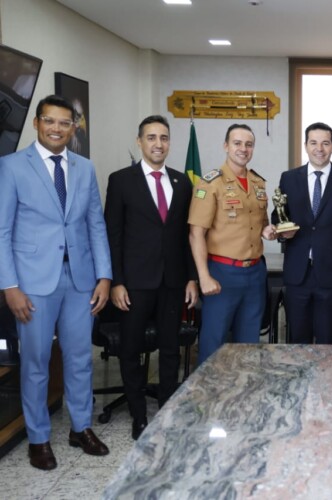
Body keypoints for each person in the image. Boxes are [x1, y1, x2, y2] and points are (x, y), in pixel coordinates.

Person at [0, 95, 112, 470]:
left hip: (80, 279)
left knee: (80, 358)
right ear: (37, 123)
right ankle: (38, 437)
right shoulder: (13, 167)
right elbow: (1, 231)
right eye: (50, 121)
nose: (57, 129)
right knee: (36, 361)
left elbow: (95, 224)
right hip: (32, 283)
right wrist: (9, 286)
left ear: (73, 128)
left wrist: (104, 276)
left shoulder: (84, 167)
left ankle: (80, 427)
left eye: (65, 123)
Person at [104, 115, 199, 440]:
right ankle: (139, 415)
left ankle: (168, 412)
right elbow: (112, 234)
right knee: (131, 350)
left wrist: (190, 278)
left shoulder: (181, 182)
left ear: (169, 143)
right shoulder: (121, 180)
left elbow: (186, 235)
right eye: (152, 137)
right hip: (134, 283)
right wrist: (116, 281)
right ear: (140, 141)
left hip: (172, 281)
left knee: (170, 348)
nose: (158, 144)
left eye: (164, 138)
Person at [188, 124, 277, 364]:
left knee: (248, 343)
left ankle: (241, 396)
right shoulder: (210, 183)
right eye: (237, 143)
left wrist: (269, 231)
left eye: (248, 144)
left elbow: (261, 224)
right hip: (222, 273)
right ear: (226, 146)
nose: (243, 149)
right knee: (213, 342)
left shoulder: (258, 183)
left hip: (255, 272)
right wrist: (203, 277)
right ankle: (207, 399)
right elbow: (196, 234)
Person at [273, 122, 332, 344]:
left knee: (326, 341)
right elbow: (279, 216)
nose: (319, 148)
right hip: (297, 273)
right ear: (305, 145)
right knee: (297, 339)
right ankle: (299, 380)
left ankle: (325, 380)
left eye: (325, 143)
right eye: (313, 142)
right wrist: (282, 232)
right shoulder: (289, 178)